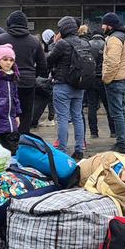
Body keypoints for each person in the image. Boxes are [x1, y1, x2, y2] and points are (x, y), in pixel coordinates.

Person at [0, 11, 47, 134]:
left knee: (6, 115)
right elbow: (43, 66)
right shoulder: (34, 41)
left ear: (9, 23)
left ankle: (7, 146)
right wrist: (32, 75)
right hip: (27, 84)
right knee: (25, 116)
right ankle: (22, 144)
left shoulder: (0, 39)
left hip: (5, 83)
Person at [48, 16, 89, 158]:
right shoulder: (84, 43)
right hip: (79, 86)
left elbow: (49, 60)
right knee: (77, 117)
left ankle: (62, 150)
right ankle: (79, 149)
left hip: (63, 85)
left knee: (63, 118)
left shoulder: (62, 44)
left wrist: (54, 43)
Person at [101, 12, 125, 153]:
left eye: (103, 24)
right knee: (121, 111)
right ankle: (123, 140)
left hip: (115, 80)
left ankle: (121, 143)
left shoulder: (114, 39)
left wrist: (106, 78)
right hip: (124, 79)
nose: (102, 27)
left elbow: (112, 62)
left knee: (116, 113)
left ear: (109, 25)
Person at [84, 27, 108, 140]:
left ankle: (94, 132)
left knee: (92, 106)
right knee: (109, 106)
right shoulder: (106, 43)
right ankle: (113, 131)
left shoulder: (88, 44)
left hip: (91, 79)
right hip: (103, 78)